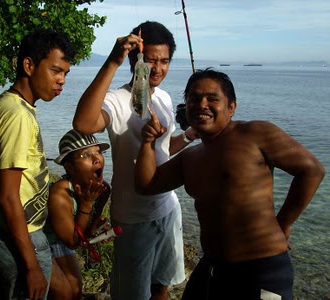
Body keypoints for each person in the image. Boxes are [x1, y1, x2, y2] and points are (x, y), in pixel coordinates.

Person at [134, 68, 325, 300]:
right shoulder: (190, 157)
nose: (202, 104)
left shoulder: (255, 133)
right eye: (194, 99)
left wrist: (284, 223)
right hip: (213, 267)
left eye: (212, 98)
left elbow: (312, 170)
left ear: (231, 107)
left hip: (262, 269)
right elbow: (146, 185)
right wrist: (147, 142)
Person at [72, 21, 198, 300]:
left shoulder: (163, 98)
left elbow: (164, 149)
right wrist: (112, 61)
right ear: (135, 59)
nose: (158, 68)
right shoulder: (117, 101)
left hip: (168, 207)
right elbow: (83, 123)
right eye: (151, 60)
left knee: (161, 286)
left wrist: (190, 136)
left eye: (164, 61)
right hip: (133, 217)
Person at [0, 28, 75, 299]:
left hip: (7, 230)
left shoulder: (4, 103)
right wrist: (31, 266)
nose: (61, 81)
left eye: (65, 73)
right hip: (20, 238)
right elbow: (9, 197)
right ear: (29, 65)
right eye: (56, 70)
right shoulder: (17, 115)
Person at [44, 129, 111, 300]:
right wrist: (86, 204)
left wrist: (99, 230)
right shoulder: (61, 194)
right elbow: (73, 241)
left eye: (98, 152)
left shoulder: (103, 190)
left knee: (76, 290)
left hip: (66, 238)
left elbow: (85, 233)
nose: (97, 158)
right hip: (45, 241)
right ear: (70, 168)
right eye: (86, 155)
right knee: (65, 293)